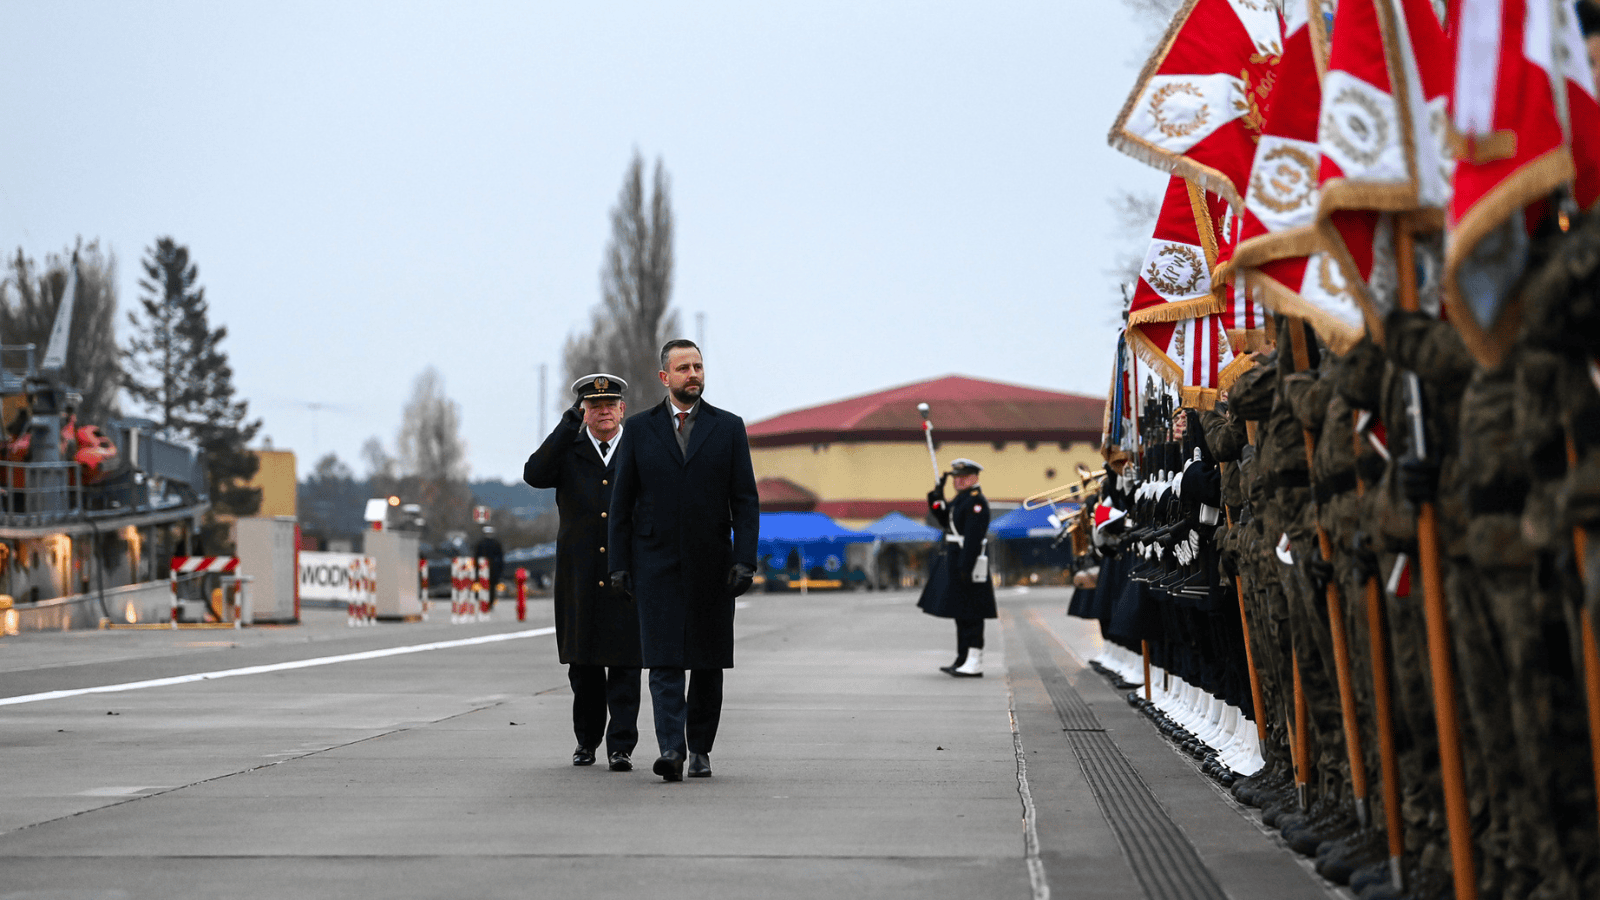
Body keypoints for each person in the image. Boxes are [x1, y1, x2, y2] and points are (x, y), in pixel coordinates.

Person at [608, 339, 760, 782]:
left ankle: (701, 750)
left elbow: (745, 501)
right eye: (683, 368)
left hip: (713, 565)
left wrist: (744, 559)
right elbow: (622, 504)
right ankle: (671, 750)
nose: (693, 374)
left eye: (697, 366)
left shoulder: (729, 428)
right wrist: (619, 564)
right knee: (664, 661)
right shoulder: (638, 430)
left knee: (708, 663)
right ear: (664, 378)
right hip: (654, 564)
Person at [523, 373, 642, 771]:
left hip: (627, 570)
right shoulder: (569, 449)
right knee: (584, 665)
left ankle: (621, 745)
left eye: (610, 405)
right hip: (580, 573)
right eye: (594, 406)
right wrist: (566, 426)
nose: (604, 411)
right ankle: (587, 741)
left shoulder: (638, 447)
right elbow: (534, 474)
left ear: (622, 409)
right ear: (582, 411)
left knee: (626, 663)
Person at [917, 458, 997, 677]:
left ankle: (974, 660)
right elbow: (945, 519)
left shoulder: (975, 502)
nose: (958, 481)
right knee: (960, 613)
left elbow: (972, 537)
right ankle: (962, 658)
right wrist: (936, 495)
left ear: (974, 478)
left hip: (966, 561)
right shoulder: (961, 500)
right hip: (956, 560)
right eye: (956, 478)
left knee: (972, 613)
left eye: (963, 477)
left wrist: (966, 567)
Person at [473, 526, 505, 607]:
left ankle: (484, 601)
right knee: (491, 586)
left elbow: (476, 556)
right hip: (493, 567)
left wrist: (476, 567)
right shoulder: (496, 543)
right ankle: (490, 602)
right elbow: (500, 557)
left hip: (483, 566)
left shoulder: (480, 543)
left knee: (484, 585)